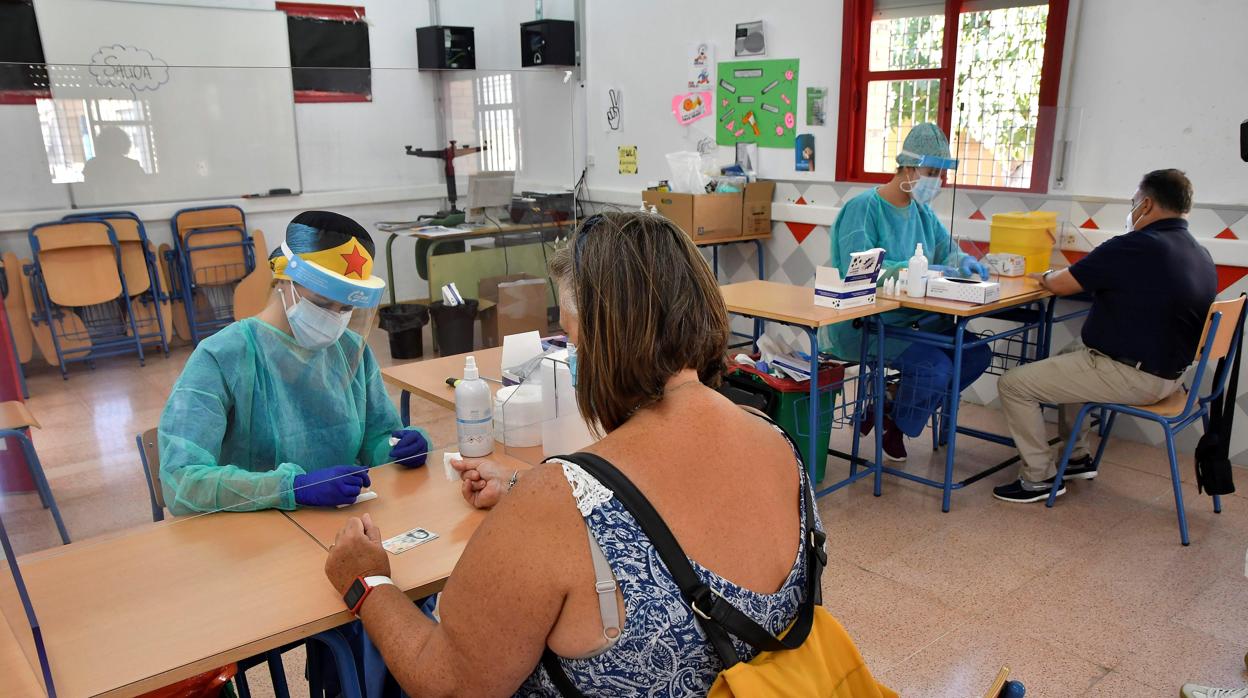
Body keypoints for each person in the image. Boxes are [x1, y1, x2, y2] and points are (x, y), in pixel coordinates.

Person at [323, 212, 826, 695]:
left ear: (607, 340)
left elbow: (451, 683)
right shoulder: (774, 441)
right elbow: (661, 501)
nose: (569, 355)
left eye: (570, 336)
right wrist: (523, 487)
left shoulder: (556, 501)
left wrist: (367, 581)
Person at [158, 211, 431, 515]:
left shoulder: (349, 349)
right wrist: (292, 487)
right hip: (251, 532)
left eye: (346, 308)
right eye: (322, 303)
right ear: (284, 280)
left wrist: (395, 448)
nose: (333, 317)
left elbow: (377, 436)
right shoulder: (221, 356)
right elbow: (181, 481)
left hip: (342, 519)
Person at [992, 169, 1216, 502]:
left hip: (1133, 376)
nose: (1132, 208)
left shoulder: (1136, 246)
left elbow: (1061, 283)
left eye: (1133, 201)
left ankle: (1037, 477)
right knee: (1071, 352)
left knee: (1013, 384)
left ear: (1147, 203)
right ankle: (1077, 457)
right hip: (1174, 376)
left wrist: (1046, 274)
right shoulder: (1199, 253)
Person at [823, 123, 991, 461]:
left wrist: (965, 262)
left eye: (941, 175)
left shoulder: (923, 213)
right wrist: (910, 269)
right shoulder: (864, 208)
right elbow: (854, 270)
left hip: (916, 320)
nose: (936, 182)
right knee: (936, 369)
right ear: (908, 166)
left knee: (975, 355)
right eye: (932, 172)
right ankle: (896, 420)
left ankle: (890, 408)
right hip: (868, 322)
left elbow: (947, 252)